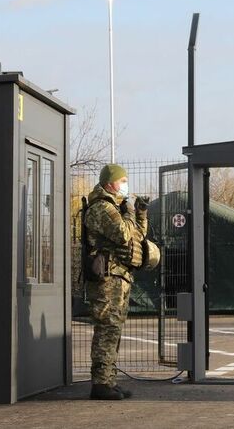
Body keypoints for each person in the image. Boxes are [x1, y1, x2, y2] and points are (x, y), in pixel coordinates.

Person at [84, 163, 148, 400]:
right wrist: (129, 212)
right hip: (107, 279)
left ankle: (108, 381)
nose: (125, 185)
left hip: (119, 277)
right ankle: (100, 384)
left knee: (114, 330)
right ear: (110, 183)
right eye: (122, 181)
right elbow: (122, 234)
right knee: (106, 329)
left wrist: (140, 213)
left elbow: (137, 236)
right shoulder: (102, 207)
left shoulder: (115, 207)